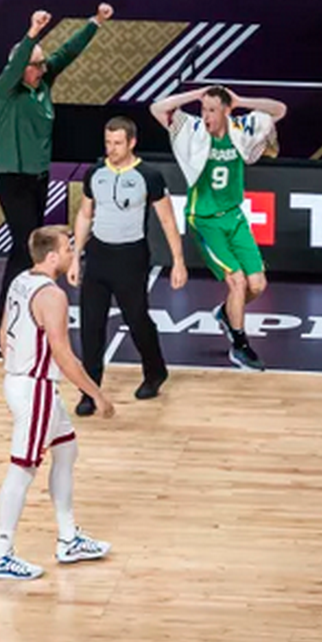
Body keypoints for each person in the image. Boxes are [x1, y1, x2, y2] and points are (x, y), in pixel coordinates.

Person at [0, 225, 114, 581]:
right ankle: (0, 554)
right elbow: (63, 354)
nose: (74, 253)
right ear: (53, 256)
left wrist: (16, 370)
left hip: (21, 382)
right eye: (69, 249)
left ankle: (69, 537)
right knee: (22, 468)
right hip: (35, 388)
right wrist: (96, 394)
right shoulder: (52, 296)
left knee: (67, 450)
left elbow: (3, 334)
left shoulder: (20, 280)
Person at [0, 5, 107, 352]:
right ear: (20, 66)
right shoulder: (4, 90)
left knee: (24, 251)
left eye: (41, 63)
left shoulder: (43, 84)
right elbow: (18, 62)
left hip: (38, 178)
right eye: (35, 64)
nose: (42, 68)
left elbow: (66, 53)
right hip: (12, 179)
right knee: (28, 249)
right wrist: (32, 33)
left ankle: (9, 315)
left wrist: (95, 23)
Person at [150, 85, 288, 371]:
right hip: (204, 219)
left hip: (234, 216)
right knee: (236, 281)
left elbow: (279, 110)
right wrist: (197, 94)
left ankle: (226, 313)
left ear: (226, 111)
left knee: (257, 284)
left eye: (212, 110)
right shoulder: (193, 130)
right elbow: (157, 108)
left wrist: (240, 100)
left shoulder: (240, 128)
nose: (206, 115)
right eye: (204, 109)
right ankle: (240, 346)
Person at [69, 117, 189, 417]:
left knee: (137, 320)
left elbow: (167, 220)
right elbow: (85, 215)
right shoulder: (95, 173)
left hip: (131, 257)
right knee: (91, 325)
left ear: (132, 142)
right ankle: (90, 391)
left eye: (118, 143)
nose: (111, 149)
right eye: (108, 143)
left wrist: (178, 261)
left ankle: (155, 371)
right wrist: (75, 256)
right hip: (98, 255)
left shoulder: (149, 176)